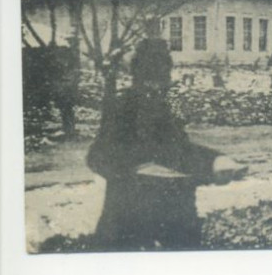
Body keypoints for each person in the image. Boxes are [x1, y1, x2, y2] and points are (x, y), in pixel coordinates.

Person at [87, 37, 246, 250]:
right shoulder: (122, 105)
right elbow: (98, 156)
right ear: (137, 77)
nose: (156, 88)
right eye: (149, 81)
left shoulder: (169, 105)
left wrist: (215, 162)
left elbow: (180, 149)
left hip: (175, 210)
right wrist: (132, 171)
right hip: (129, 213)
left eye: (162, 80)